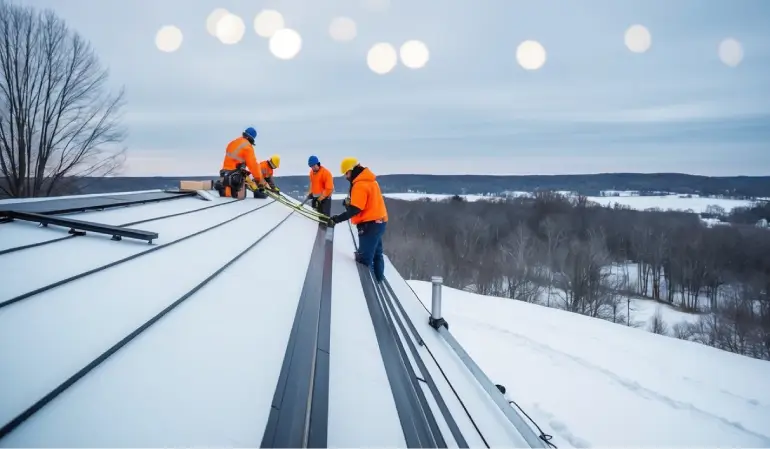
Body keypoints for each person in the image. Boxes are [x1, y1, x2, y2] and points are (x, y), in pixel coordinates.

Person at [328, 157, 388, 282]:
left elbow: (355, 209)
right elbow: (364, 204)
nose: (346, 177)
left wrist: (336, 219)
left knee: (364, 260)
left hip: (369, 225)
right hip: (379, 222)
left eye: (346, 173)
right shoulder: (370, 181)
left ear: (352, 170)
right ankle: (379, 280)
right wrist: (350, 203)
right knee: (377, 254)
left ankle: (369, 289)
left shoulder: (360, 185)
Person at [215, 127, 267, 199]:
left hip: (224, 175)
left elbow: (233, 161)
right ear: (252, 139)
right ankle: (228, 192)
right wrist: (259, 180)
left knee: (236, 182)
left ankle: (223, 188)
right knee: (240, 197)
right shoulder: (248, 147)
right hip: (235, 179)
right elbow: (253, 166)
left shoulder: (232, 143)